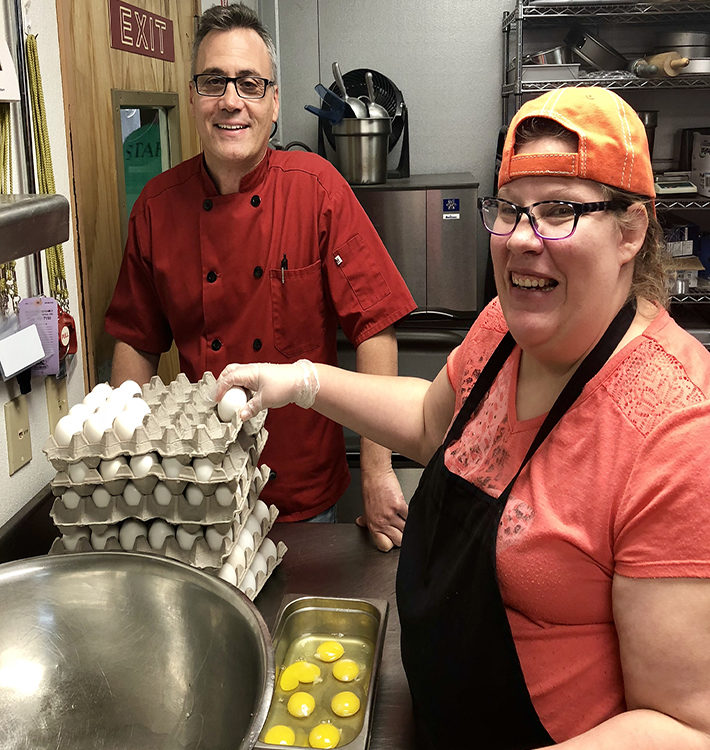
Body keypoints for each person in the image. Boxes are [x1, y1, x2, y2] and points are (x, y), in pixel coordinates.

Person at [215, 86, 710, 748]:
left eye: (558, 211)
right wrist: (303, 380)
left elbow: (681, 726)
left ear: (630, 230)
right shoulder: (507, 326)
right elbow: (429, 420)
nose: (522, 241)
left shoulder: (677, 431)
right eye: (509, 211)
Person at [104, 3, 416, 549]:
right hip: (194, 493)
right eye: (213, 82)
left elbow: (375, 326)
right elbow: (136, 343)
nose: (231, 101)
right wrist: (123, 466)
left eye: (249, 84)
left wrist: (378, 469)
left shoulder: (317, 190)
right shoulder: (156, 208)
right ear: (195, 96)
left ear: (273, 102)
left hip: (301, 493)